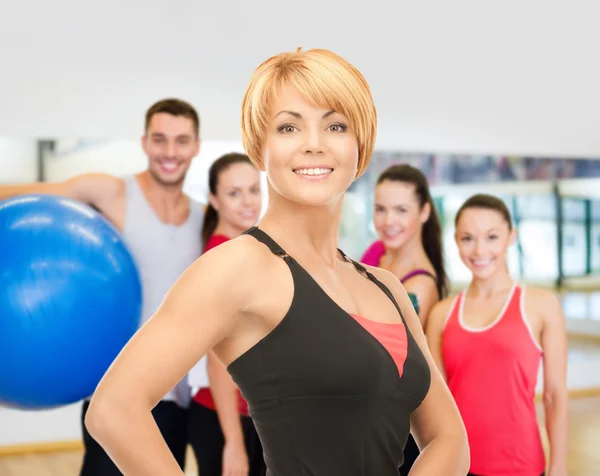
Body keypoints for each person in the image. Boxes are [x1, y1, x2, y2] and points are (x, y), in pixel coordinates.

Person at [85, 47, 470, 476]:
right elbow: (114, 410)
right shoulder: (239, 268)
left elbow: (448, 437)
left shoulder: (387, 286)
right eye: (288, 127)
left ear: (360, 146)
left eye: (336, 125)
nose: (313, 144)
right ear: (259, 148)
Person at [0, 98, 204, 475]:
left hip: (175, 396)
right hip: (113, 395)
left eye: (181, 141)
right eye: (160, 140)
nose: (170, 152)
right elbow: (24, 193)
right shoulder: (112, 191)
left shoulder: (202, 219)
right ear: (144, 143)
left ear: (196, 146)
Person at [426, 194, 568, 476]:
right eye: (468, 238)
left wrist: (560, 466)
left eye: (491, 237)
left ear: (510, 237)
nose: (479, 250)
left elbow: (554, 395)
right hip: (457, 464)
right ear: (456, 240)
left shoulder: (541, 305)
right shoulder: (441, 314)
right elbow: (436, 406)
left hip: (521, 464)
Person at [360, 163, 448, 474]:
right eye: (380, 209)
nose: (388, 221)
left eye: (401, 210)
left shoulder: (420, 287)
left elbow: (382, 359)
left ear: (424, 212)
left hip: (395, 426)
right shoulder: (376, 253)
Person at [188, 152, 266, 476]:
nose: (247, 201)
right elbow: (218, 359)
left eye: (253, 189)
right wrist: (233, 442)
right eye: (234, 193)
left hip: (250, 416)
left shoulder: (246, 249)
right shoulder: (222, 259)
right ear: (214, 200)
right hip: (226, 420)